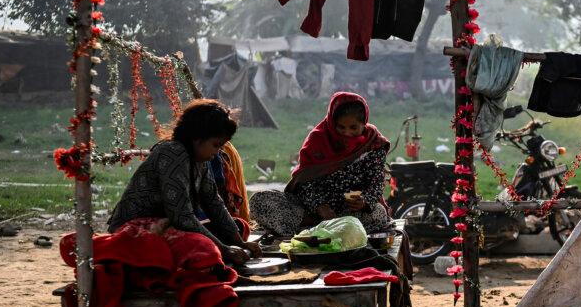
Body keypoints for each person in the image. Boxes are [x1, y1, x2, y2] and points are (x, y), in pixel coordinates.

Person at [108, 99, 260, 265]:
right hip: (135, 230)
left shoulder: (199, 160)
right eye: (215, 145)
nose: (217, 153)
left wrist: (239, 242)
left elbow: (213, 202)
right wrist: (225, 249)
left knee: (239, 227)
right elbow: (181, 217)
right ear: (197, 138)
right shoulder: (173, 153)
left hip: (169, 225)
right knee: (203, 246)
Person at [250, 92, 391, 235]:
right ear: (331, 123)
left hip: (351, 212)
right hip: (310, 211)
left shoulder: (373, 143)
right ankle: (326, 228)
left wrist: (364, 201)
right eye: (341, 127)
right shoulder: (318, 139)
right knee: (260, 200)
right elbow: (304, 181)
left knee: (377, 214)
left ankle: (322, 231)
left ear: (364, 124)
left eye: (353, 128)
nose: (346, 133)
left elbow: (376, 183)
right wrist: (320, 206)